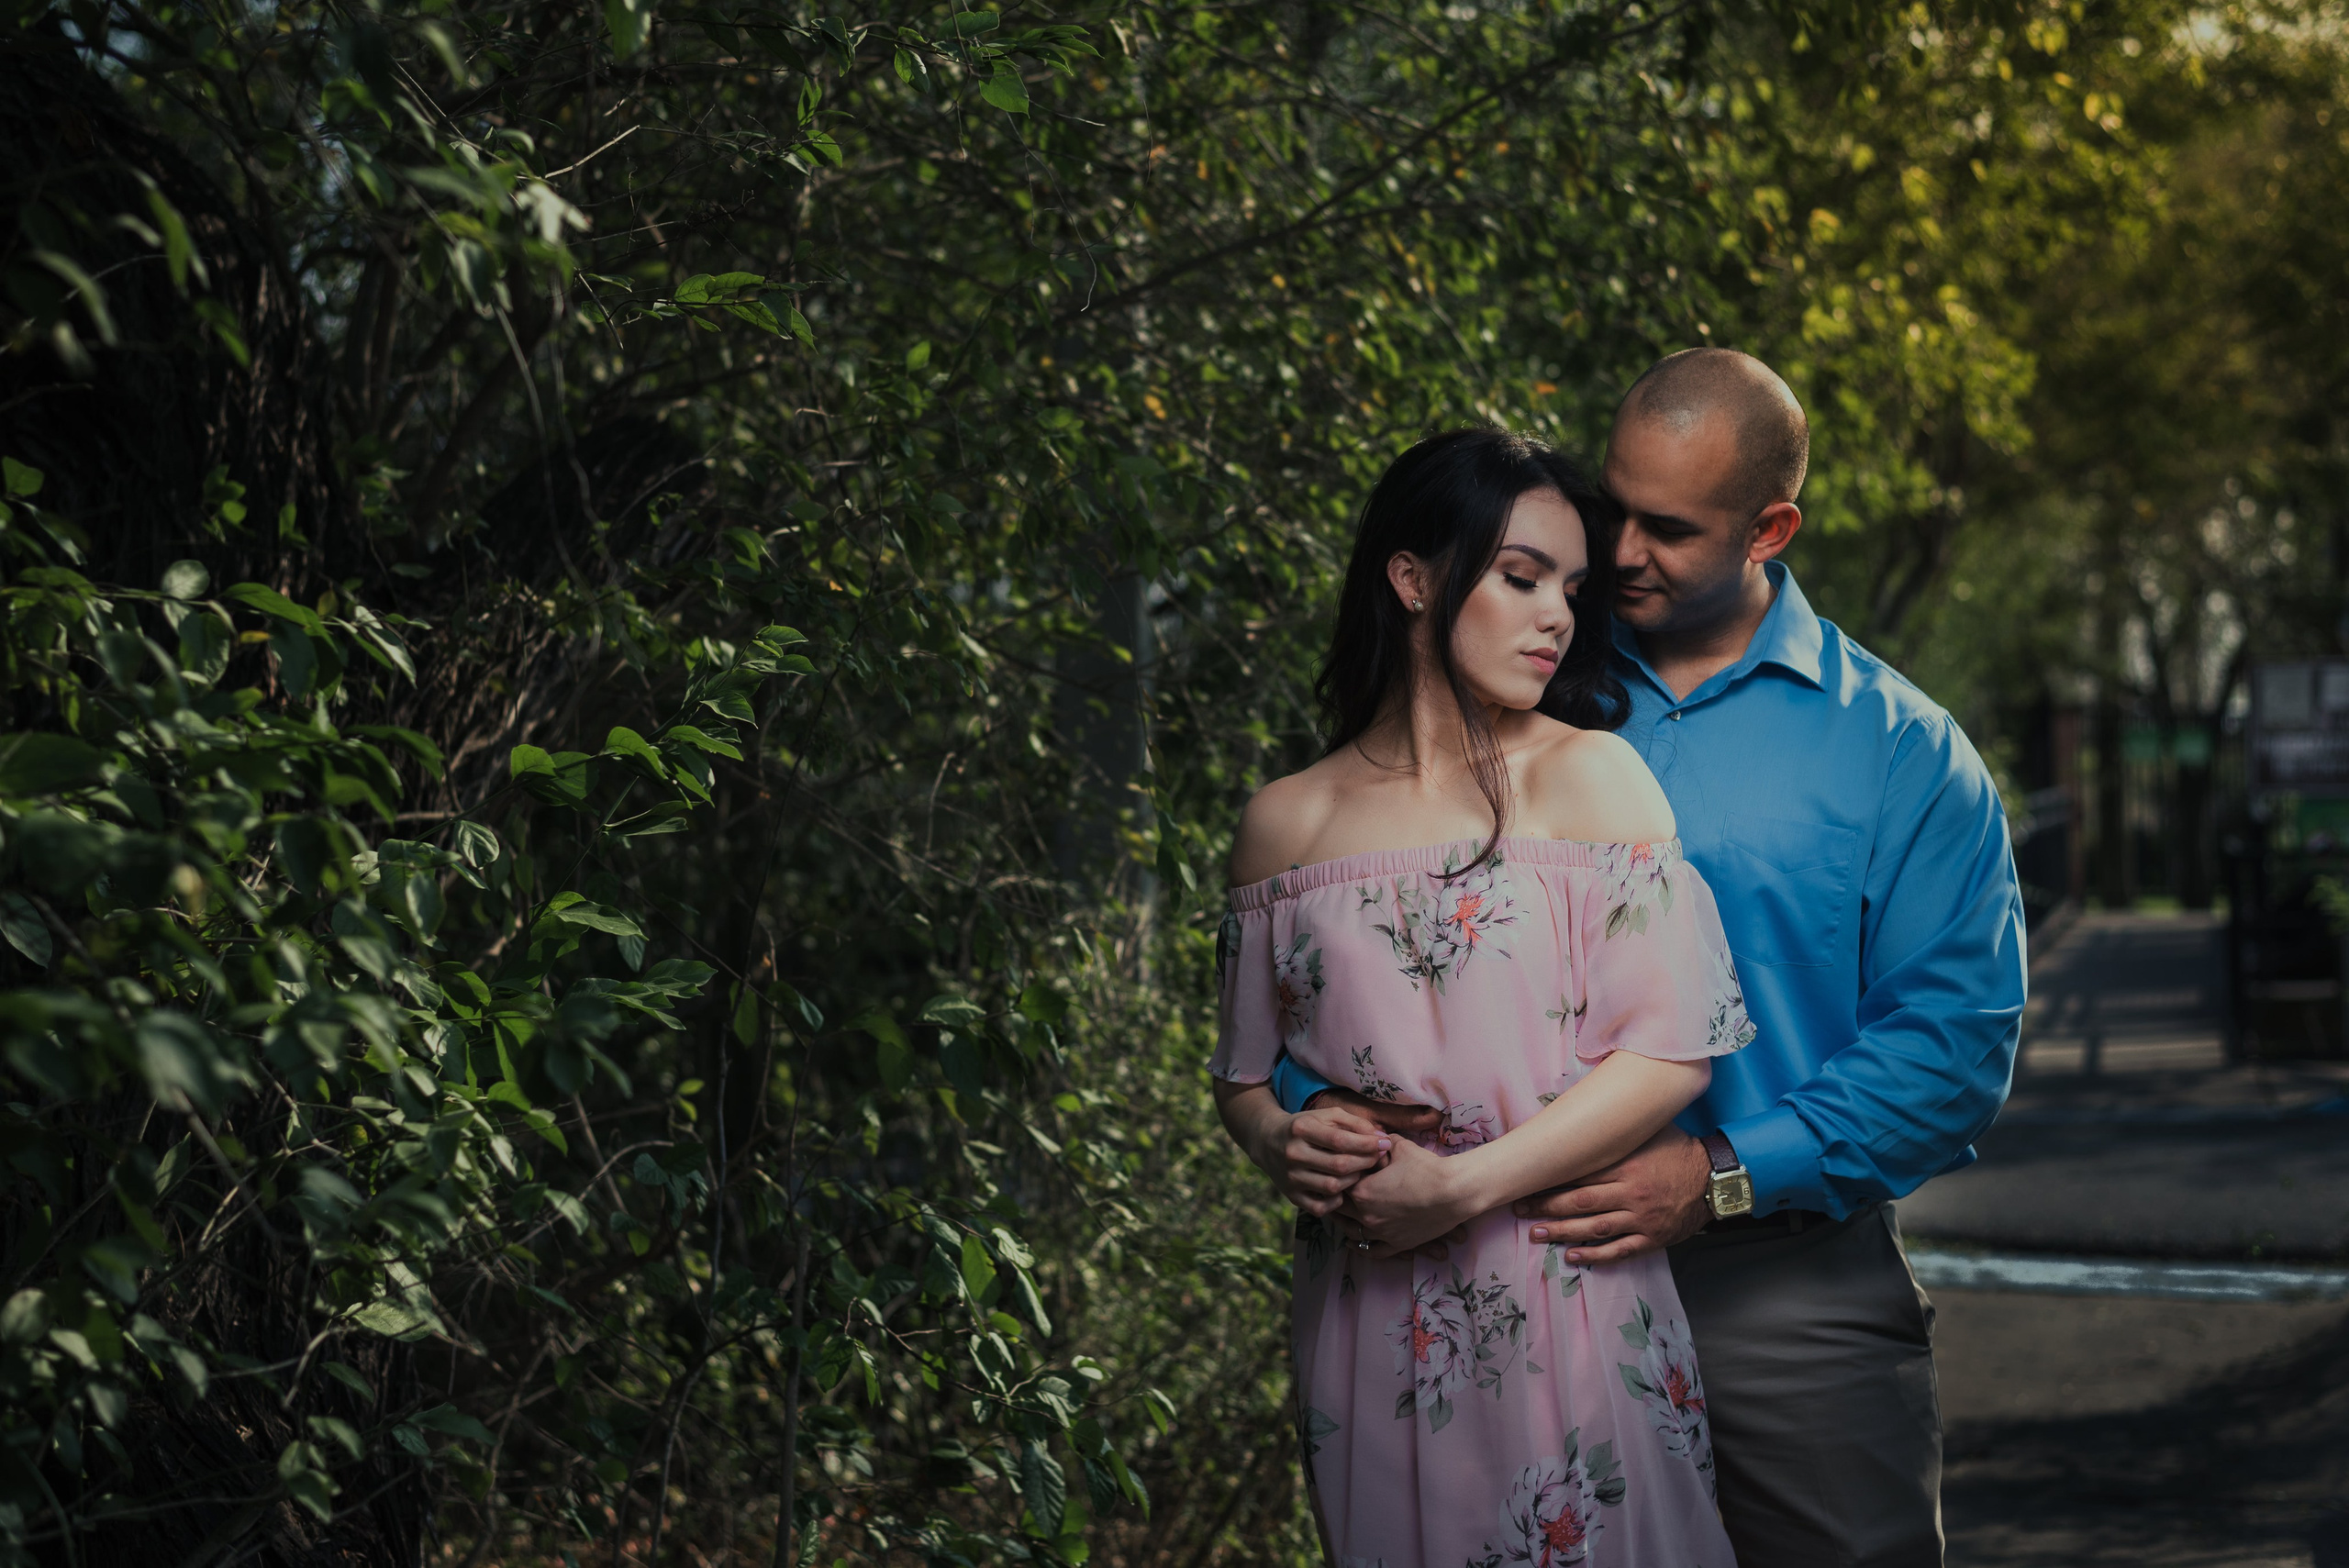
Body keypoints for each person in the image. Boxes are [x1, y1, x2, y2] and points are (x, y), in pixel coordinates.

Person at [1260, 350, 2029, 1567]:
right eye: (1612, 508)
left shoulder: (1902, 754)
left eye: (1667, 529)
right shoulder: (1497, 658)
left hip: (1784, 1293)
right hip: (1501, 1282)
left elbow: (1950, 1053)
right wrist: (1319, 1110)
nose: (1618, 554)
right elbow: (1351, 931)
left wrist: (1721, 1174)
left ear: (1771, 527)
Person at [1211, 428, 1753, 1566]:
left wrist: (1458, 1186)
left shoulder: (1591, 779)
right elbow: (1245, 1081)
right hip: (1365, 1312)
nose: (1557, 614)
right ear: (1412, 578)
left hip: (1561, 1280)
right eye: (1519, 577)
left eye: (1571, 586)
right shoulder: (1284, 822)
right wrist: (1282, 1140)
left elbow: (1671, 1060)